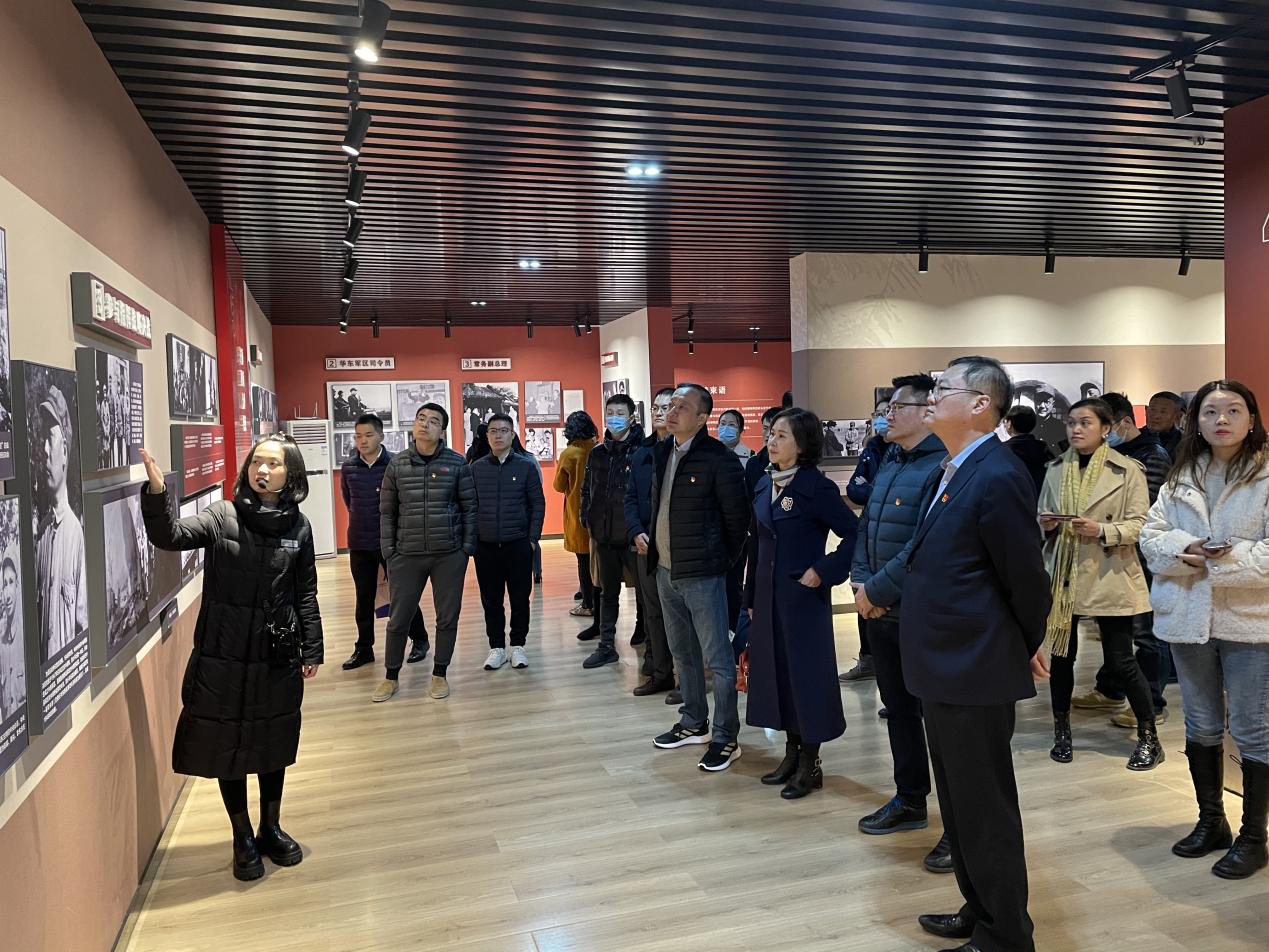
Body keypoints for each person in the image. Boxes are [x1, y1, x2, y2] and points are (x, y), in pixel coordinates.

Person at [903, 356, 1051, 952]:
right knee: (960, 802)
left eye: (942, 388)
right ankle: (981, 907)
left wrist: (1025, 643)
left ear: (980, 403)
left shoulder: (997, 473)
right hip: (946, 664)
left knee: (985, 807)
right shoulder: (956, 467)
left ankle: (1006, 936)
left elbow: (1026, 577)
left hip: (975, 665)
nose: (930, 397)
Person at [138, 437, 323, 882]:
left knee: (273, 739)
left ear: (291, 475)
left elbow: (305, 593)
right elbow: (170, 536)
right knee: (228, 742)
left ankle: (270, 828)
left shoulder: (299, 527)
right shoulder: (223, 516)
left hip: (276, 653)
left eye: (273, 464)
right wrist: (158, 493)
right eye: (257, 462)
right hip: (224, 652)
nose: (262, 470)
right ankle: (242, 837)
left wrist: (312, 647)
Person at [1140, 379, 1269, 880]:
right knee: (1200, 724)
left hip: (1250, 620)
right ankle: (1211, 822)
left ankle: (1254, 837)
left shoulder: (1265, 473)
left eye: (1233, 410)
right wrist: (1185, 549)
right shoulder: (1182, 473)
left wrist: (1224, 558)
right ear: (1195, 420)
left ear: (1251, 418)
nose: (1221, 420)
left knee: (1253, 728)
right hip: (1187, 615)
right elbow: (1150, 537)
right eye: (1210, 411)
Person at [850, 374, 953, 873]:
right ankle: (910, 799)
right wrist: (861, 582)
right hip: (881, 610)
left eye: (896, 407)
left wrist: (877, 590)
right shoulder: (891, 459)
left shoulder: (941, 466)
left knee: (942, 724)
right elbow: (866, 529)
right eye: (886, 407)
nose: (887, 414)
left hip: (917, 612)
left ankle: (957, 825)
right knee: (899, 712)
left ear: (926, 410)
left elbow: (921, 545)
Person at [1038, 397, 1163, 771]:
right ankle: (1062, 731)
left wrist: (1103, 530)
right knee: (1062, 658)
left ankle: (1149, 736)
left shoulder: (1128, 470)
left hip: (1110, 572)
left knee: (1122, 659)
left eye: (1085, 422)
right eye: (1071, 422)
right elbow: (1040, 516)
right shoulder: (1055, 469)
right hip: (1064, 575)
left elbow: (1143, 525)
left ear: (1106, 428)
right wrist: (1046, 524)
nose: (1076, 429)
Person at [745, 408, 857, 799]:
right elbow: (756, 547)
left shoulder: (817, 488)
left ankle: (811, 762)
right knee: (778, 675)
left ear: (803, 444)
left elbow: (854, 534)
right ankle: (791, 753)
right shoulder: (765, 483)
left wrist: (823, 570)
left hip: (803, 600)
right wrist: (750, 597)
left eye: (781, 436)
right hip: (767, 599)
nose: (771, 442)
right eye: (771, 434)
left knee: (806, 678)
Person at [640, 384, 749, 772]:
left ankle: (725, 736)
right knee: (682, 653)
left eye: (682, 407)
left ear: (703, 418)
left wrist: (718, 561)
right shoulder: (663, 451)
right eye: (670, 406)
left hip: (704, 575)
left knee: (718, 659)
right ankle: (693, 722)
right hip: (666, 570)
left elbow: (738, 522)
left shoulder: (720, 459)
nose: (671, 413)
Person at [1076, 391, 1173, 726]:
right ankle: (1110, 689)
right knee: (1113, 626)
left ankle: (1152, 703)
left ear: (1124, 422)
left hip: (1142, 555)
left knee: (1147, 634)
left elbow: (1142, 512)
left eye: (1104, 425)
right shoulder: (1110, 455)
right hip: (1111, 553)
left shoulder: (1152, 456)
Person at [372, 403, 476, 703]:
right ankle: (391, 676)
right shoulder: (397, 465)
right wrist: (389, 551)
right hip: (406, 555)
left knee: (447, 617)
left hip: (449, 555)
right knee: (398, 619)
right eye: (421, 419)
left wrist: (466, 549)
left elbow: (470, 508)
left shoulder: (457, 463)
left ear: (442, 430)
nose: (425, 424)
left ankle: (440, 673)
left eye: (433, 421)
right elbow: (387, 511)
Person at [340, 414, 429, 671]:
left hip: (391, 543)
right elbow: (349, 501)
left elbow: (405, 503)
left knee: (402, 595)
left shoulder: (395, 464)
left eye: (368, 435)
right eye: (358, 436)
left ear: (380, 436)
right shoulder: (349, 468)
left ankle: (420, 640)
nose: (363, 441)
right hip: (359, 542)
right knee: (364, 598)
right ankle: (364, 648)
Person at [470, 414, 545, 671]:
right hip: (486, 546)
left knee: (520, 598)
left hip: (518, 544)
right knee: (491, 600)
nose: (498, 435)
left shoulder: (526, 466)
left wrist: (532, 539)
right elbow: (469, 506)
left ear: (512, 435)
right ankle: (497, 647)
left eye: (504, 431)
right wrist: (474, 539)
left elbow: (537, 503)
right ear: (487, 435)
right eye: (493, 431)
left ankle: (517, 645)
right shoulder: (477, 468)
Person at [579, 393, 644, 669]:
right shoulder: (597, 452)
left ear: (631, 417)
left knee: (644, 593)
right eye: (610, 413)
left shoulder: (642, 452)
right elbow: (586, 489)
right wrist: (587, 518)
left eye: (620, 413)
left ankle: (645, 635)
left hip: (632, 536)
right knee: (607, 593)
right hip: (603, 535)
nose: (614, 418)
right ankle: (606, 645)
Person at [625, 387, 676, 696]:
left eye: (666, 407)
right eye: (656, 407)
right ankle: (660, 672)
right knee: (652, 611)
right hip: (645, 544)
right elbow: (630, 498)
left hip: (675, 547)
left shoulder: (683, 451)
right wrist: (635, 530)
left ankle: (687, 678)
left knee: (680, 615)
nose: (659, 412)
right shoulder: (642, 452)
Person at [840, 394, 893, 682]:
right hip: (870, 531)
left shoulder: (902, 451)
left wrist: (871, 488)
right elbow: (853, 489)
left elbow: (890, 493)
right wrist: (875, 490)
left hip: (892, 536)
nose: (882, 418)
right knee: (863, 596)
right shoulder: (871, 448)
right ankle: (868, 659)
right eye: (878, 413)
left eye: (888, 411)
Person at [35, 386, 87, 660]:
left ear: (64, 451)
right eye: (43, 439)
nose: (44, 450)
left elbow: (84, 626)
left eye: (50, 438)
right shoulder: (42, 534)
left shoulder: (77, 535)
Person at [555, 411, 599, 634]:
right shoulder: (597, 449)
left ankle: (587, 604)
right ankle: (595, 599)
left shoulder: (569, 454)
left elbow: (558, 485)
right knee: (596, 560)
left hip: (577, 511)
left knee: (582, 559)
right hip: (599, 513)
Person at [1003, 405, 1054, 500]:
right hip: (1039, 501)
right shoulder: (1043, 448)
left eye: (1005, 422)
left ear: (1009, 424)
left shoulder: (1002, 450)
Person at [0, 555, 24, 720]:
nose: (7, 594)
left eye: (11, 582)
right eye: (4, 585)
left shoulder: (26, 638)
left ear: (17, 586)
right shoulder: (1, 644)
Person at [1147, 390, 1187, 456]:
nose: (1155, 416)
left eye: (1163, 412)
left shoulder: (1185, 444)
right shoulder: (1137, 436)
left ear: (1178, 416)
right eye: (1152, 410)